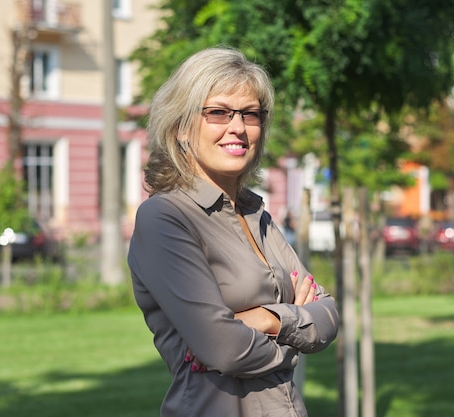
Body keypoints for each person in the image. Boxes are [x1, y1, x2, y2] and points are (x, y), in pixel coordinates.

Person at [128, 46, 339, 417]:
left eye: (250, 114)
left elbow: (329, 315)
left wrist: (267, 319)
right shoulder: (164, 217)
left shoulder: (255, 212)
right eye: (218, 112)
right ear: (179, 127)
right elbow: (224, 349)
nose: (238, 127)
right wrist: (296, 331)